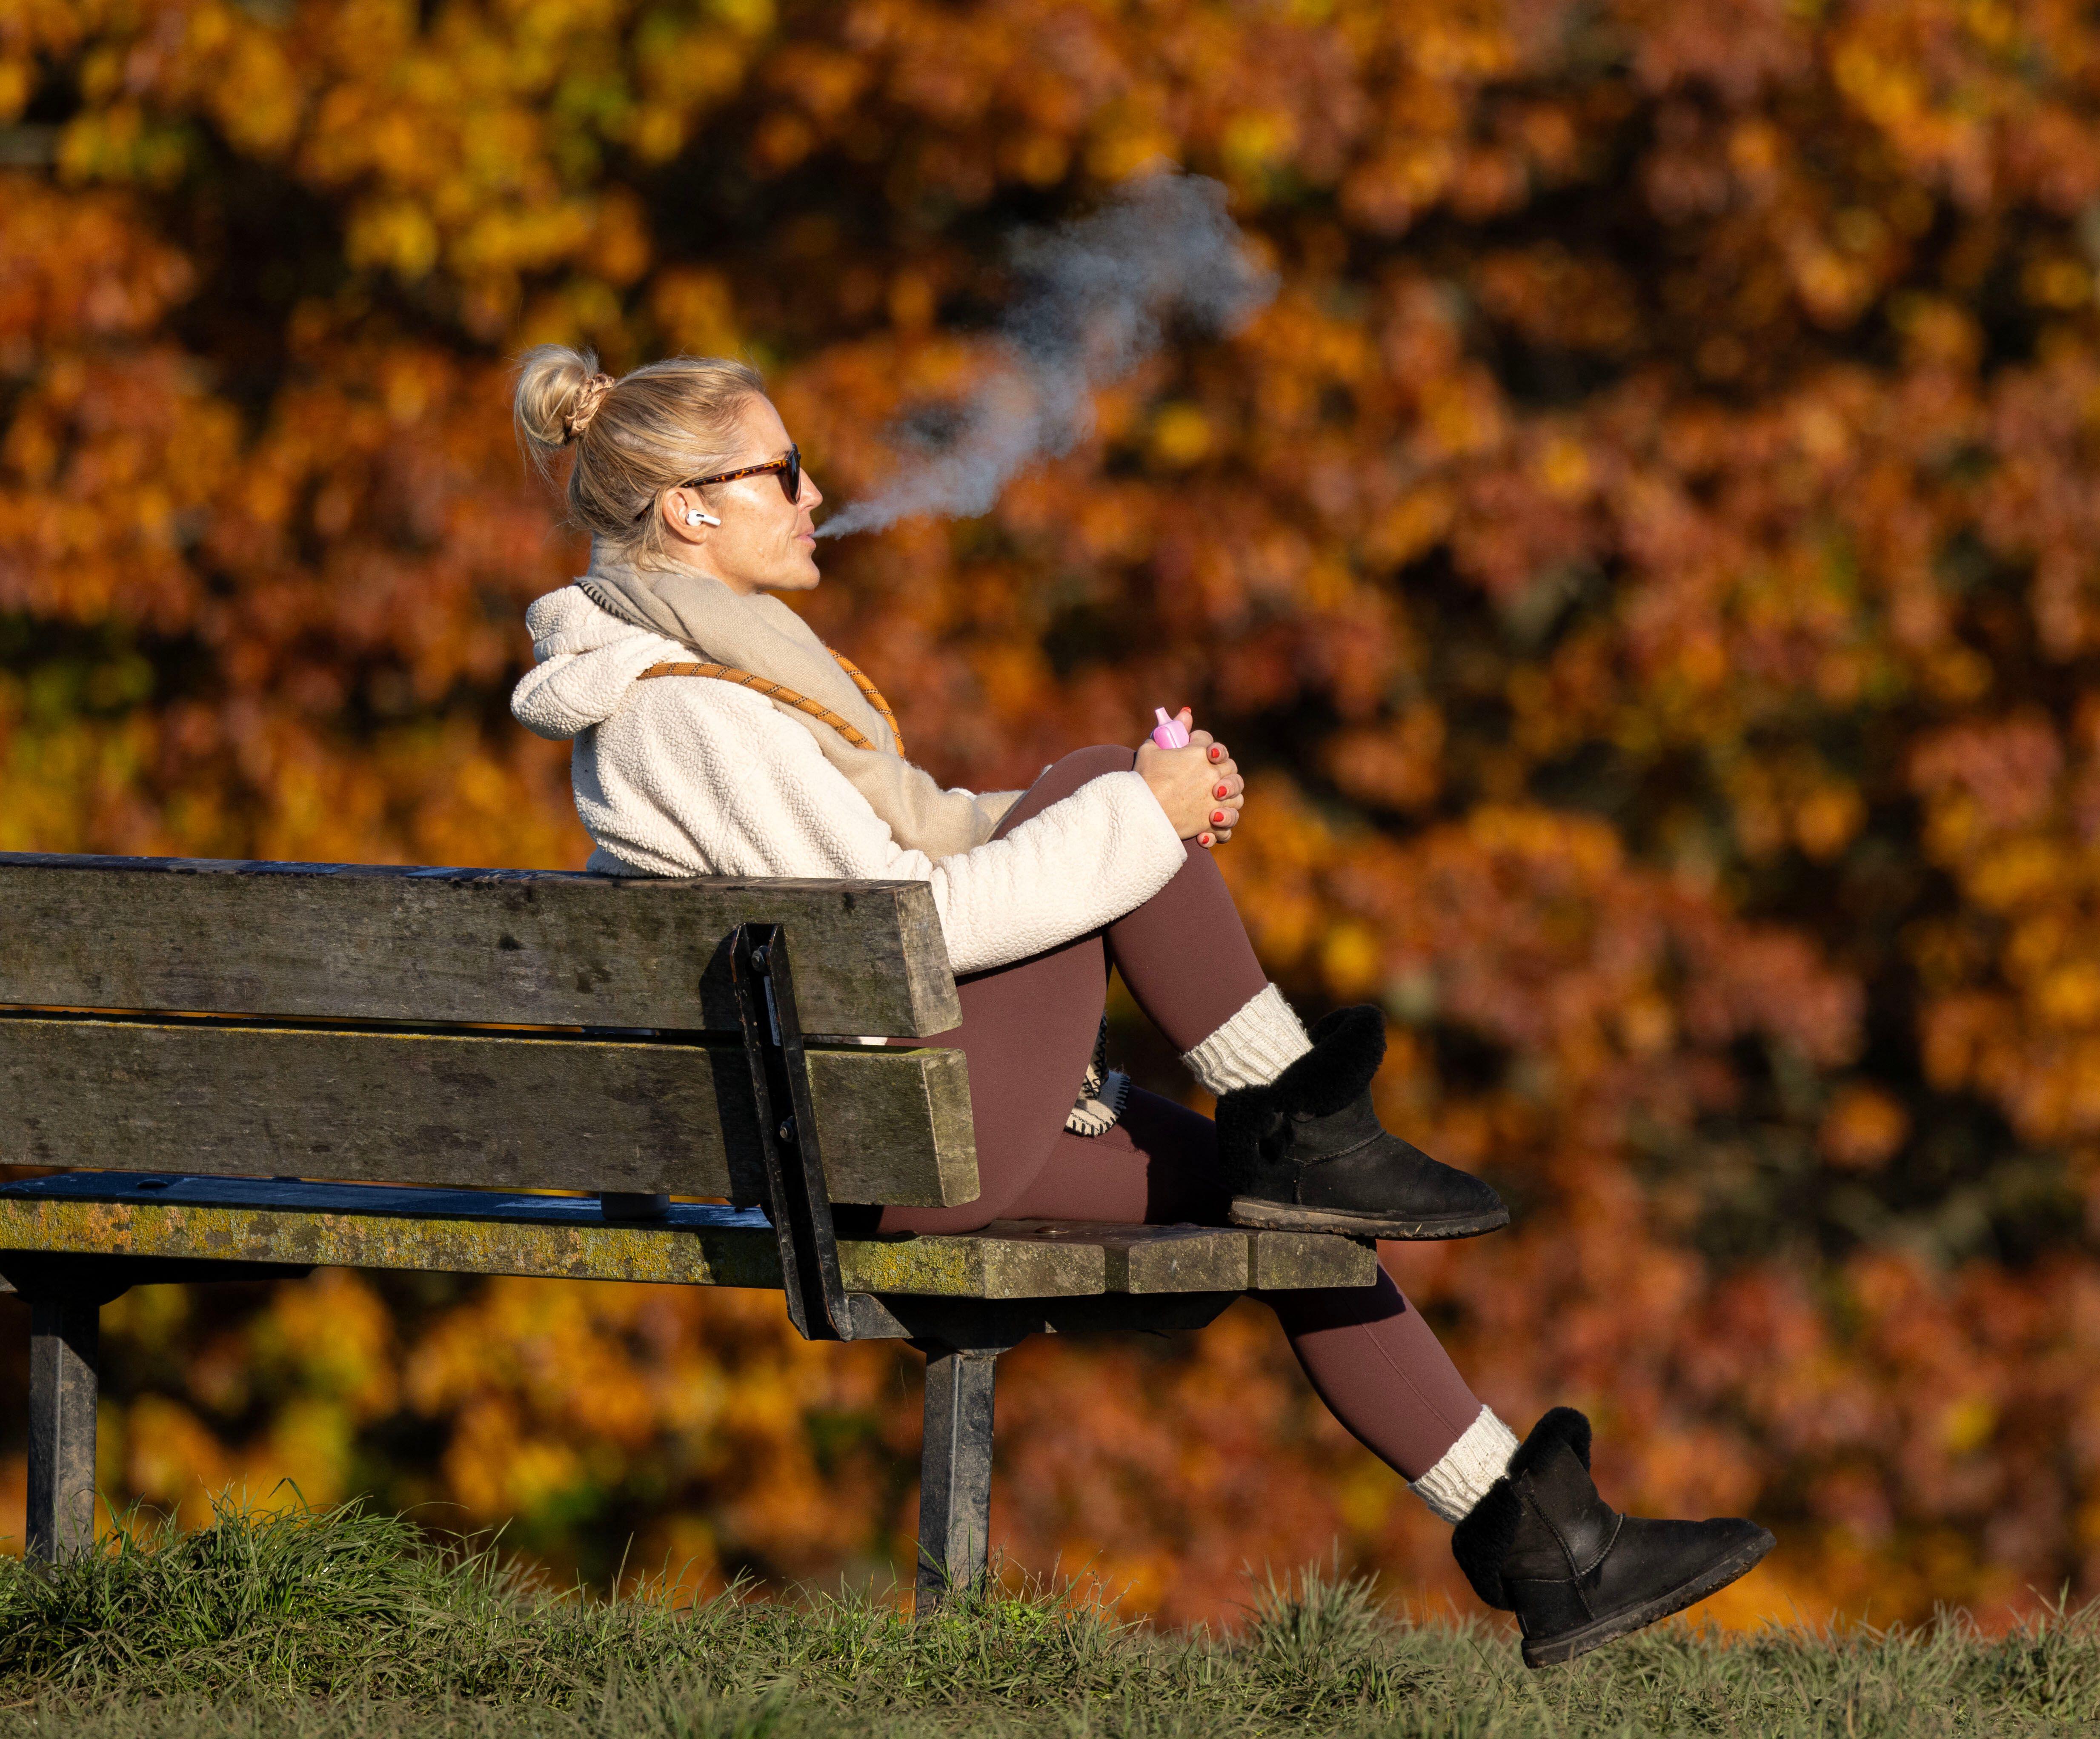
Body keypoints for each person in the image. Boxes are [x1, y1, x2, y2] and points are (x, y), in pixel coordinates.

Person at [507, 345, 1774, 1665]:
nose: (816, 492)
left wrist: (1131, 822)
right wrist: (1129, 814)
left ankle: (1552, 1546)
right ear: (688, 510)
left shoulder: (721, 682)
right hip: (889, 1151)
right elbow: (911, 931)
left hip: (895, 1128)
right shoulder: (683, 716)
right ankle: (1301, 1123)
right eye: (783, 472)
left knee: (1286, 1207)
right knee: (1106, 785)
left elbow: (910, 852)